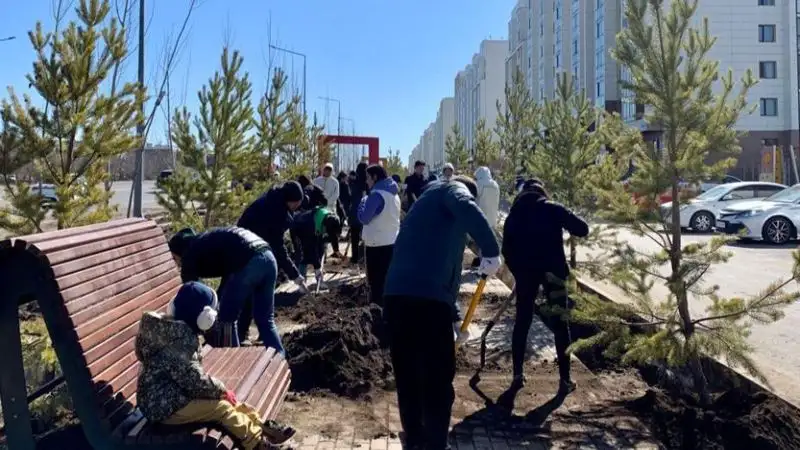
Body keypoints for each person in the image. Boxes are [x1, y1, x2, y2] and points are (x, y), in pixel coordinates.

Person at [383, 176, 502, 450]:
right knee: (438, 377)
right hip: (426, 301)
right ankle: (436, 443)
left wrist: (456, 317)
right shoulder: (451, 189)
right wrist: (491, 249)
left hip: (397, 297)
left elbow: (445, 271)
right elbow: (464, 202)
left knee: (408, 374)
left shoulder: (425, 211)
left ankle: (414, 439)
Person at [135, 281, 295, 450]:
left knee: (225, 398)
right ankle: (256, 443)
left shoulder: (171, 332)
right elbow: (194, 381)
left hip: (170, 396)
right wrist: (221, 390)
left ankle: (262, 425)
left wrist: (221, 392)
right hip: (164, 408)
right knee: (222, 408)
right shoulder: (179, 343)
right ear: (205, 319)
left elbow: (189, 378)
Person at [502, 181, 589, 395]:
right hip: (554, 275)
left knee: (522, 322)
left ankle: (517, 375)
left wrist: (519, 273)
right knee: (561, 324)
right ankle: (565, 380)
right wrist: (565, 214)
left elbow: (506, 250)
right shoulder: (552, 208)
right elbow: (582, 229)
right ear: (542, 192)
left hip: (526, 275)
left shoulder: (514, 215)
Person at [167, 227, 287, 353]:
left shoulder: (188, 254)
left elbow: (192, 297)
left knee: (227, 320)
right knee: (265, 319)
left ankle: (234, 361)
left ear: (179, 251)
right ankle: (281, 359)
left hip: (248, 262)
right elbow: (227, 276)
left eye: (175, 259)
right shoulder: (205, 241)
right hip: (268, 258)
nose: (177, 264)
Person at [357, 164, 401, 306]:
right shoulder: (394, 195)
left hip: (376, 245)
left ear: (375, 177)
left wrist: (363, 202)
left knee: (376, 283)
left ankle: (377, 313)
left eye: (368, 178)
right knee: (387, 280)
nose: (367, 181)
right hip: (391, 243)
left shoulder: (376, 195)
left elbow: (364, 218)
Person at [292, 204, 343, 289]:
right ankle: (302, 285)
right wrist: (317, 265)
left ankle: (320, 281)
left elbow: (333, 234)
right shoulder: (312, 224)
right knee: (304, 256)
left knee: (320, 250)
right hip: (299, 229)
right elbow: (313, 247)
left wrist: (336, 250)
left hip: (312, 229)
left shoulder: (331, 218)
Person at [471, 166, 501, 268]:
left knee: (481, 243)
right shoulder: (495, 185)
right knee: (488, 241)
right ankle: (486, 264)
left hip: (481, 217)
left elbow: (474, 197)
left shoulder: (479, 184)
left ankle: (482, 265)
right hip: (492, 218)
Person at [348, 162, 368, 264]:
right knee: (366, 236)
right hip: (364, 212)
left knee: (354, 237)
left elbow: (350, 196)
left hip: (353, 211)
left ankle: (354, 257)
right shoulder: (367, 183)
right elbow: (365, 197)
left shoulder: (352, 182)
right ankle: (364, 257)